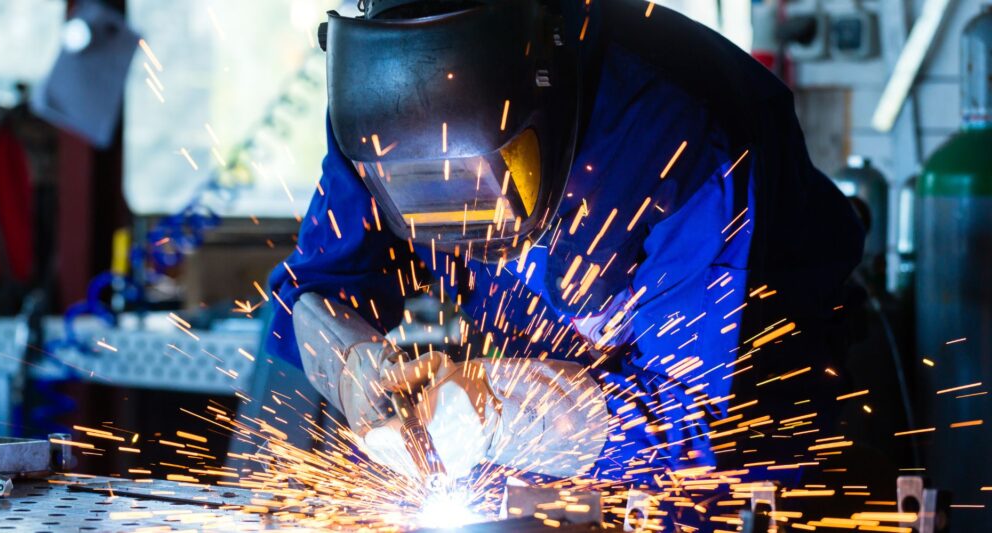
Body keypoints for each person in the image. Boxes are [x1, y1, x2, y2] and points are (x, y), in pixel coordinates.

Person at [268, 0, 863, 515]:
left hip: (740, 463)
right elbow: (319, 287)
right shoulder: (377, 108)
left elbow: (694, 423)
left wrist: (501, 412)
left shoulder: (682, 133)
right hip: (533, 455)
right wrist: (353, 366)